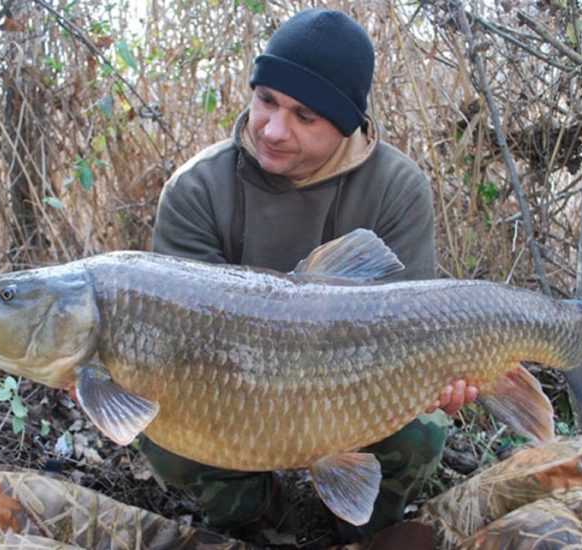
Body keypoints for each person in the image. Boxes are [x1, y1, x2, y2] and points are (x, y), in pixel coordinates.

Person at [146, 8, 478, 542]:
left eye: (305, 116)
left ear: (345, 123)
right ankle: (255, 516)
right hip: (231, 378)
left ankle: (361, 525)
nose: (274, 130)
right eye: (266, 101)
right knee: (163, 425)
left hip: (359, 377)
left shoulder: (397, 187)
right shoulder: (196, 189)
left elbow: (415, 326)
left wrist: (442, 376)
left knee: (421, 431)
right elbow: (181, 338)